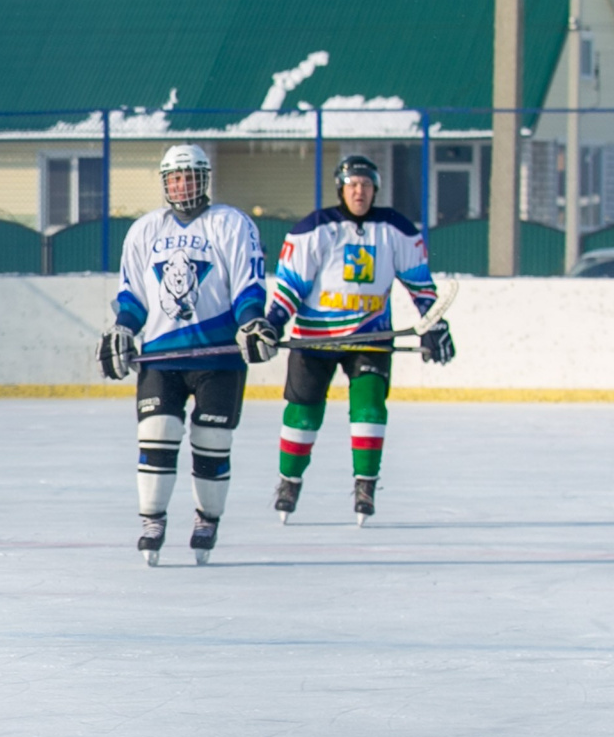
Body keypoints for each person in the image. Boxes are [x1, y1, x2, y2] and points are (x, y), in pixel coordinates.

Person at [237, 154, 452, 523]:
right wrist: (273, 322)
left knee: (370, 408)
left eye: (366, 185)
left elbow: (420, 285)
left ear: (375, 190)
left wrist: (433, 323)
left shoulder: (395, 229)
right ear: (341, 188)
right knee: (302, 414)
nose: (360, 191)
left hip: (371, 336)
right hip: (313, 339)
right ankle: (290, 480)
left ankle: (365, 483)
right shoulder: (315, 228)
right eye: (353, 184)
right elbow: (291, 286)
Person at [95, 143, 267, 566]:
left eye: (190, 176)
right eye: (175, 177)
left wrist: (251, 322)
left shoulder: (231, 224)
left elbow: (248, 285)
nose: (183, 185)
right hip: (161, 359)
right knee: (156, 435)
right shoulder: (144, 231)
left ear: (204, 179)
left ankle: (207, 518)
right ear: (165, 182)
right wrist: (123, 329)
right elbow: (132, 295)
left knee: (212, 441)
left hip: (218, 358)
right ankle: (152, 521)